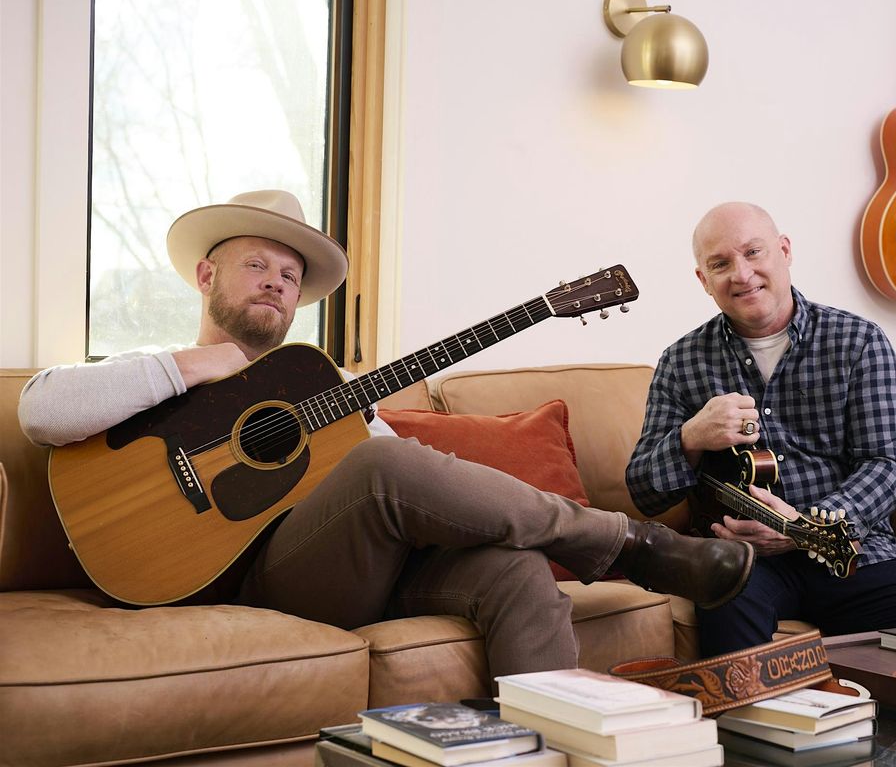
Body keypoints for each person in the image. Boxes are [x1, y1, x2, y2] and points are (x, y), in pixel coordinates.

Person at [19, 189, 754, 680]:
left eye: (290, 275)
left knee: (516, 569)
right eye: (257, 265)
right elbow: (40, 410)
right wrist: (195, 364)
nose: (276, 282)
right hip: (245, 578)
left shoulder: (316, 383)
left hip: (355, 568)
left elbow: (409, 479)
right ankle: (631, 545)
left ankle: (546, 747)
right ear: (207, 275)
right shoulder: (153, 369)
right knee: (381, 467)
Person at [625, 201, 896, 657]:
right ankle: (748, 708)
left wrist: (805, 527)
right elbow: (644, 491)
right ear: (703, 280)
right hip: (744, 561)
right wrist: (690, 437)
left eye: (753, 252)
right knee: (728, 623)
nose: (742, 274)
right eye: (720, 264)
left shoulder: (858, 341)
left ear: (785, 251)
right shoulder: (681, 362)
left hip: (851, 551)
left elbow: (888, 467)